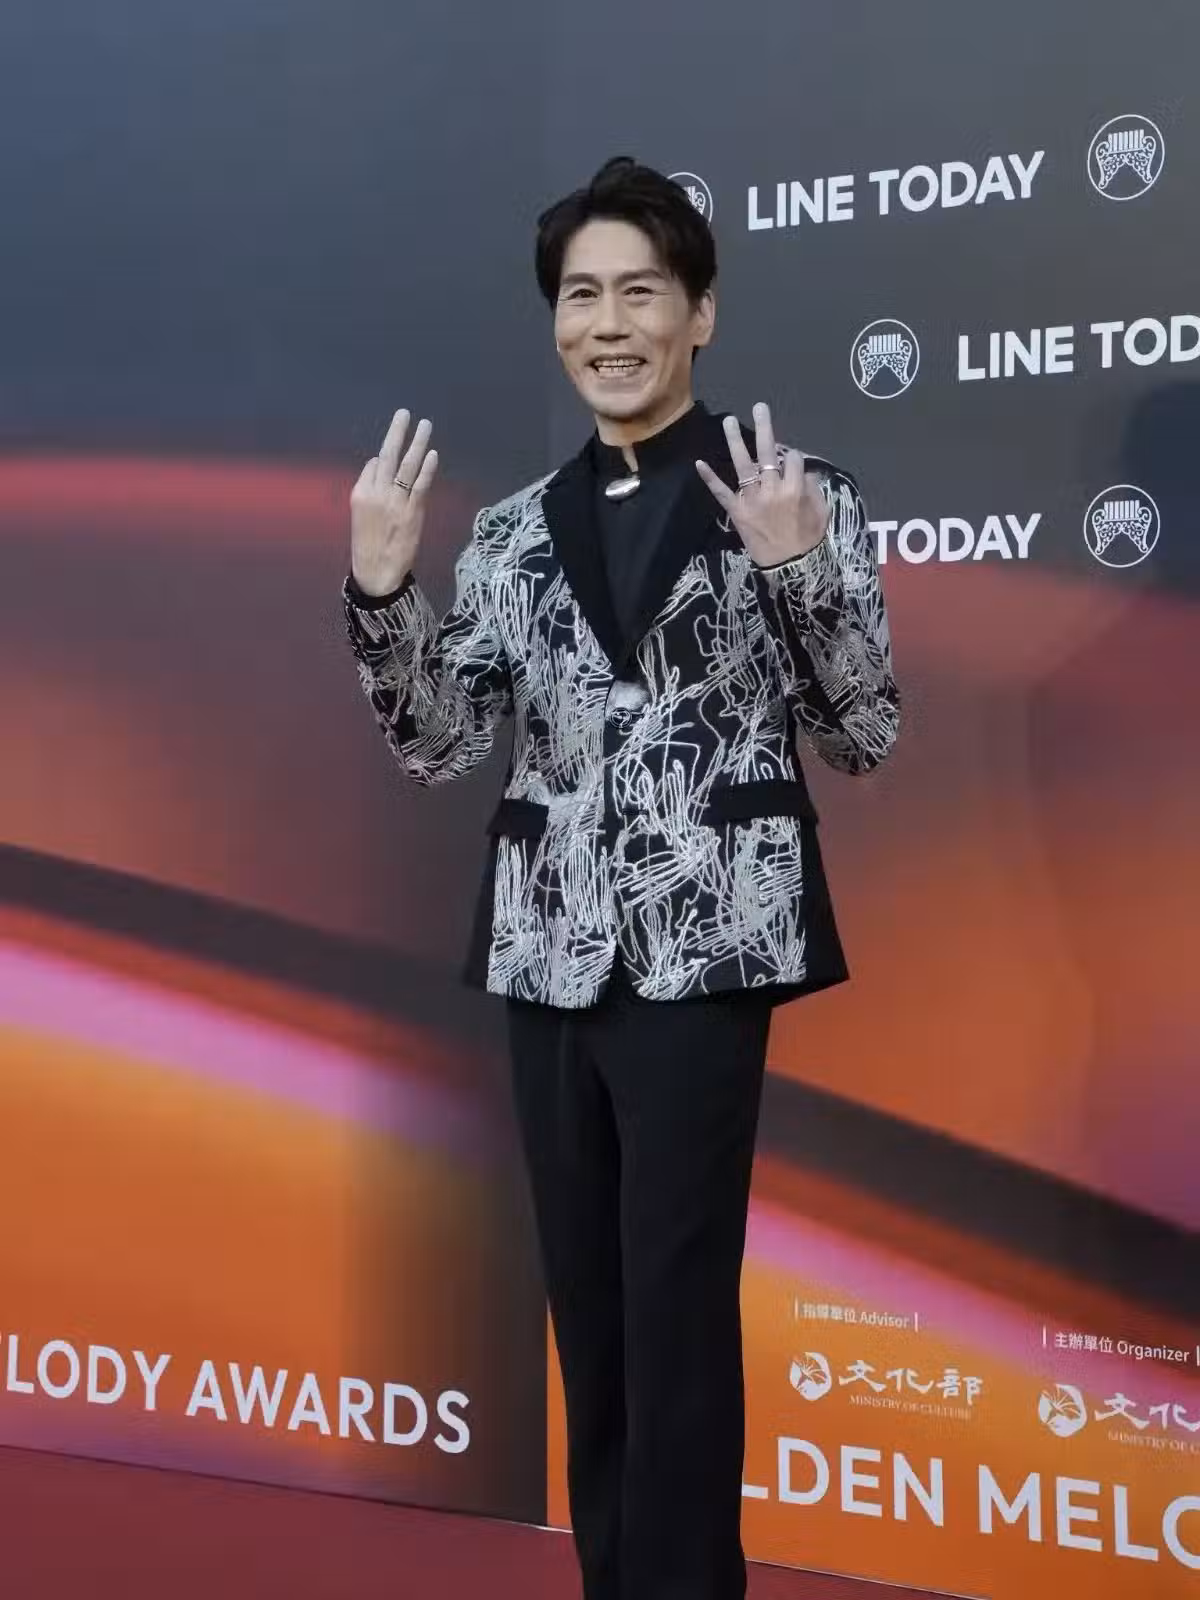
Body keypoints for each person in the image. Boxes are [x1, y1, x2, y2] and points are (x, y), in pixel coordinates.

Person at [343, 157, 899, 1600]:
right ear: (556, 323)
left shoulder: (802, 498)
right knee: (589, 1309)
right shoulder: (513, 532)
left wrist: (800, 572)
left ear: (700, 313)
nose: (609, 323)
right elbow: (440, 741)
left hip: (707, 944)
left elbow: (864, 732)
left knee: (677, 1302)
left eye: (640, 292)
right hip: (547, 948)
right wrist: (384, 593)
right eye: (581, 295)